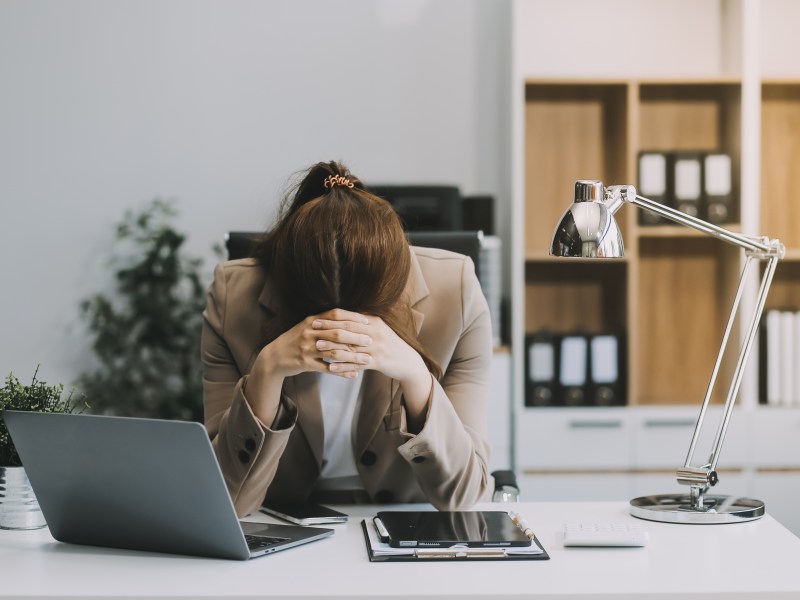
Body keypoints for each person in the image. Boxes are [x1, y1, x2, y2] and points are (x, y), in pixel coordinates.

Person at [202, 161, 493, 518]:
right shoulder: (233, 298)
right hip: (279, 518)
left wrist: (416, 376)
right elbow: (227, 501)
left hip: (407, 520)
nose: (341, 332)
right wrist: (266, 372)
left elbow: (463, 495)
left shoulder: (456, 291)